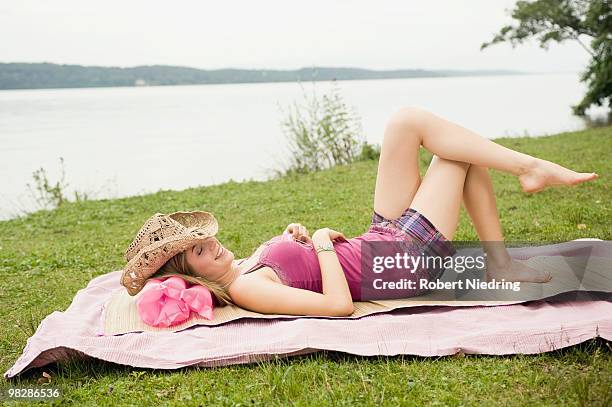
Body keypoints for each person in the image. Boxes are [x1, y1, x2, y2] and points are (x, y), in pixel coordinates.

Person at [121, 106, 598, 317]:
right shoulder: (244, 288)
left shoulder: (242, 271)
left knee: (405, 121)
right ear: (192, 275)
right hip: (400, 261)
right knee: (456, 154)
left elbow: (299, 273)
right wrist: (325, 247)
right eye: (201, 251)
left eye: (203, 238)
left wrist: (297, 239)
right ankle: (524, 187)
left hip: (377, 241)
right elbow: (337, 306)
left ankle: (523, 188)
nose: (214, 244)